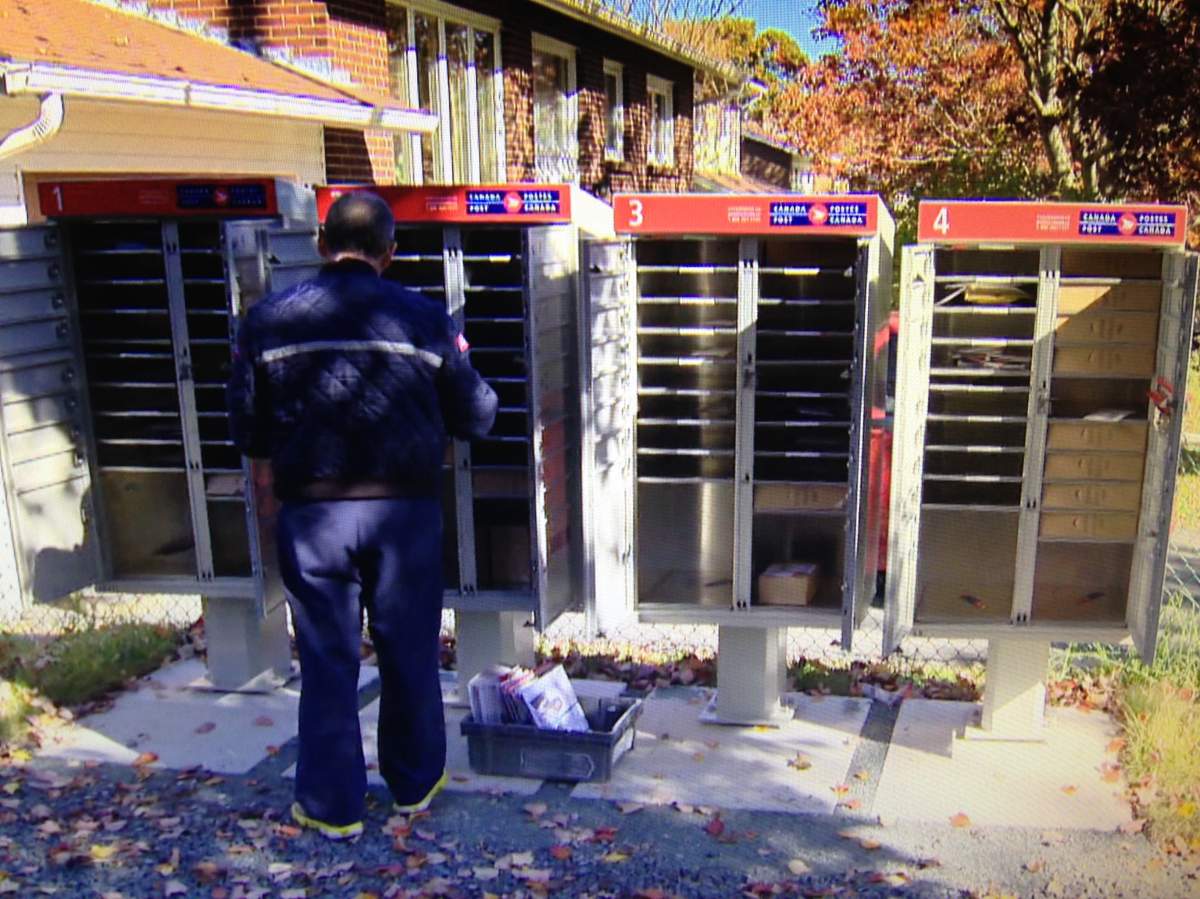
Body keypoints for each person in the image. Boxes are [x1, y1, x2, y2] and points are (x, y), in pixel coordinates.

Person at [227, 191, 498, 840]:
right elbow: (479, 414)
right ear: (391, 253)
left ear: (322, 245)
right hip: (403, 517)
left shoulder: (265, 320)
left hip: (313, 518)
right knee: (408, 652)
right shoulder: (427, 319)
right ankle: (414, 785)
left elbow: (246, 427)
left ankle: (331, 805)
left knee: (327, 659)